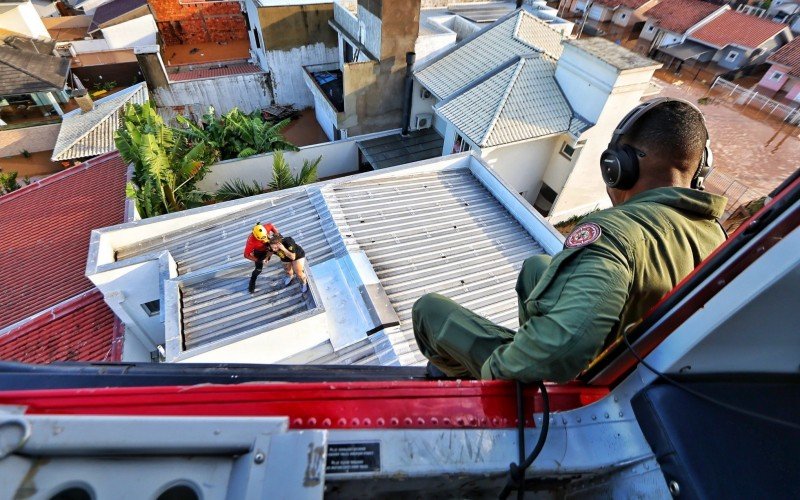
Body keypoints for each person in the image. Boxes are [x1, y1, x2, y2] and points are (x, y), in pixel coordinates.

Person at [412, 98, 728, 383]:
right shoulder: (716, 234)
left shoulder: (616, 234)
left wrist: (499, 373)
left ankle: (464, 377)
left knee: (428, 311)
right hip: (634, 365)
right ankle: (530, 341)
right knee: (536, 267)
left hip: (579, 384)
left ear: (619, 167)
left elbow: (553, 358)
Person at [244, 222, 278, 293]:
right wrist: (258, 260)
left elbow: (271, 226)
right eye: (261, 239)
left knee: (283, 252)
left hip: (270, 245)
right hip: (260, 253)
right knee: (258, 269)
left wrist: (276, 235)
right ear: (256, 236)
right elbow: (246, 255)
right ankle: (252, 281)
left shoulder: (265, 227)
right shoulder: (251, 242)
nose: (263, 240)